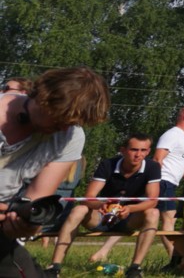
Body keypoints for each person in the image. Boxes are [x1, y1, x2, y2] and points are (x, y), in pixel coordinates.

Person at [3, 69, 108, 278]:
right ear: (43, 97)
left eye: (72, 123)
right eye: (60, 118)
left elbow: (36, 199)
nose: (63, 128)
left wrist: (27, 224)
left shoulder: (71, 136)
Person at [48, 133, 160, 278]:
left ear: (149, 151)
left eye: (143, 150)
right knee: (79, 209)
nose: (139, 155)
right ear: (123, 150)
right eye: (134, 150)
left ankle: (135, 269)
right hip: (102, 215)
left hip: (128, 218)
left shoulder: (152, 167)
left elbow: (153, 201)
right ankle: (54, 267)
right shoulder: (107, 164)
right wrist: (99, 205)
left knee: (153, 213)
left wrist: (130, 209)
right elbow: (88, 198)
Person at [154, 105, 184, 237]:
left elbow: (177, 164)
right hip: (163, 181)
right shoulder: (173, 134)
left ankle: (102, 252)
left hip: (169, 183)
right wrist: (156, 182)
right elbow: (158, 158)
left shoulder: (183, 137)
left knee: (163, 218)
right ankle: (175, 255)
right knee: (169, 218)